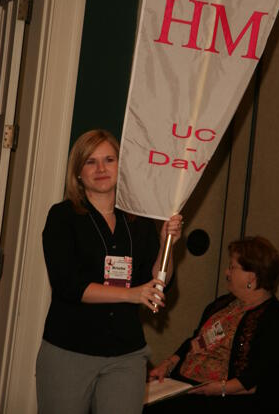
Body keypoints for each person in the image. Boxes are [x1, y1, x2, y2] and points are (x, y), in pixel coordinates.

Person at [36, 129, 183, 414]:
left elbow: (157, 284)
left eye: (109, 160)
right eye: (90, 162)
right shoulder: (62, 217)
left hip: (126, 356)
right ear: (78, 172)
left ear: (121, 165)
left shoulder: (139, 222)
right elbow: (70, 285)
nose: (101, 168)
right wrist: (132, 295)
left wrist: (168, 244)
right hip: (70, 351)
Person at [147, 236, 279, 414]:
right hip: (188, 386)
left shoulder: (277, 321)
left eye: (232, 267)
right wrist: (168, 364)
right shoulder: (223, 304)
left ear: (252, 276)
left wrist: (220, 388)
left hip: (231, 399)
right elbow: (196, 340)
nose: (227, 272)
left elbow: (264, 378)